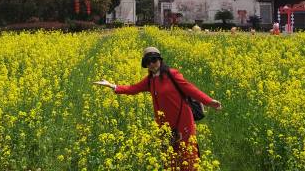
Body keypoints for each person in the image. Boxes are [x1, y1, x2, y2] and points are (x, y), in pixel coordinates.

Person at [94, 46, 222, 170]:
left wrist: (209, 101)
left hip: (182, 120)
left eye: (154, 60)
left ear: (160, 60)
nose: (151, 64)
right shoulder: (149, 80)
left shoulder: (172, 74)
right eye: (148, 62)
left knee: (188, 155)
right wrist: (113, 86)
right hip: (164, 124)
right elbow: (133, 89)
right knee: (169, 156)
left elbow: (190, 89)